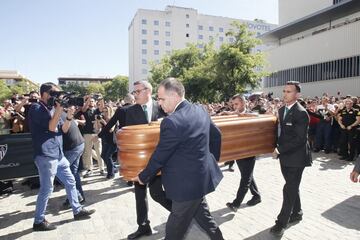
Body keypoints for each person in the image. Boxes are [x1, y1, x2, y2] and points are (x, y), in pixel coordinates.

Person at [133, 78, 224, 240]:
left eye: (161, 99)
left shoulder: (172, 122)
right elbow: (217, 135)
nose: (159, 103)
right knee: (205, 220)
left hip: (186, 187)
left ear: (174, 95)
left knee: (174, 231)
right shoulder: (200, 110)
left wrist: (143, 176)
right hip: (200, 180)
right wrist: (211, 161)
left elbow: (160, 156)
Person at [99, 81, 172, 239]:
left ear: (148, 91)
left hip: (160, 160)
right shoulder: (130, 111)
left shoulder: (163, 107)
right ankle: (143, 226)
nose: (134, 94)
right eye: (134, 92)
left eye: (137, 91)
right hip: (139, 161)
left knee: (157, 194)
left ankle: (180, 214)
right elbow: (129, 135)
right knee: (139, 193)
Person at [29, 82, 95, 231]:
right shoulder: (37, 108)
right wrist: (59, 108)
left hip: (58, 154)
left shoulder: (53, 108)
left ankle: (77, 210)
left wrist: (70, 116)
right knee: (47, 188)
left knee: (71, 181)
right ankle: (38, 221)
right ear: (46, 94)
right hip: (46, 155)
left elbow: (63, 129)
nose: (59, 97)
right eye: (55, 94)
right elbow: (51, 128)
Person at [270, 81, 312, 236]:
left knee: (288, 189)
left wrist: (279, 149)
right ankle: (297, 213)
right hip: (285, 156)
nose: (285, 93)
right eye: (284, 91)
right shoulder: (281, 110)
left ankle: (281, 223)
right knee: (292, 186)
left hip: (297, 157)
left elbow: (300, 139)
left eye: (289, 91)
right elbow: (282, 133)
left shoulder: (301, 113)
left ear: (297, 94)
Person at [226, 94, 261, 212]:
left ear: (243, 103)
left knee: (245, 178)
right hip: (238, 150)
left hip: (249, 150)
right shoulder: (233, 114)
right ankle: (256, 196)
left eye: (236, 104)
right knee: (248, 175)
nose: (234, 107)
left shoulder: (251, 113)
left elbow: (257, 118)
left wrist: (238, 114)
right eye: (233, 104)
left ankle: (236, 203)